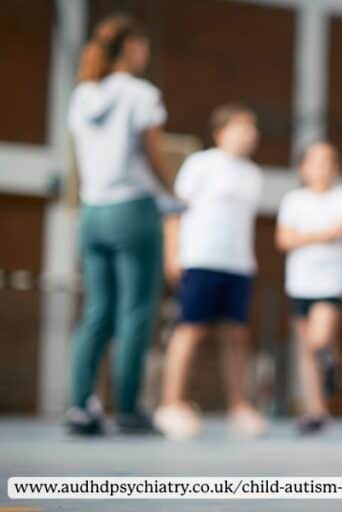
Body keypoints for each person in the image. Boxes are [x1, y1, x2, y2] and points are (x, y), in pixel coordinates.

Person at [66, 14, 170, 436]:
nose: (145, 54)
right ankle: (127, 408)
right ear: (129, 49)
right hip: (132, 210)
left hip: (92, 212)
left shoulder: (82, 95)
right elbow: (151, 152)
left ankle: (80, 406)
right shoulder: (141, 94)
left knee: (96, 312)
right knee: (135, 312)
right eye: (141, 46)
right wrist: (174, 192)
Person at [154, 103, 266, 440]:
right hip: (200, 259)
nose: (250, 134)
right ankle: (171, 403)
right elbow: (175, 211)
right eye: (241, 126)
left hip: (238, 265)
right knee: (190, 330)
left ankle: (239, 405)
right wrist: (173, 255)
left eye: (253, 128)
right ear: (221, 132)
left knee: (237, 335)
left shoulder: (253, 175)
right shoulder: (201, 164)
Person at [276, 142, 342, 435]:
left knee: (318, 339)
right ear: (303, 168)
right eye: (316, 162)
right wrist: (325, 234)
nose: (323, 168)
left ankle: (332, 360)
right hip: (300, 282)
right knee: (305, 351)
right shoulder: (294, 199)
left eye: (329, 162)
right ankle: (316, 410)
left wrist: (304, 236)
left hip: (331, 281)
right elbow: (284, 240)